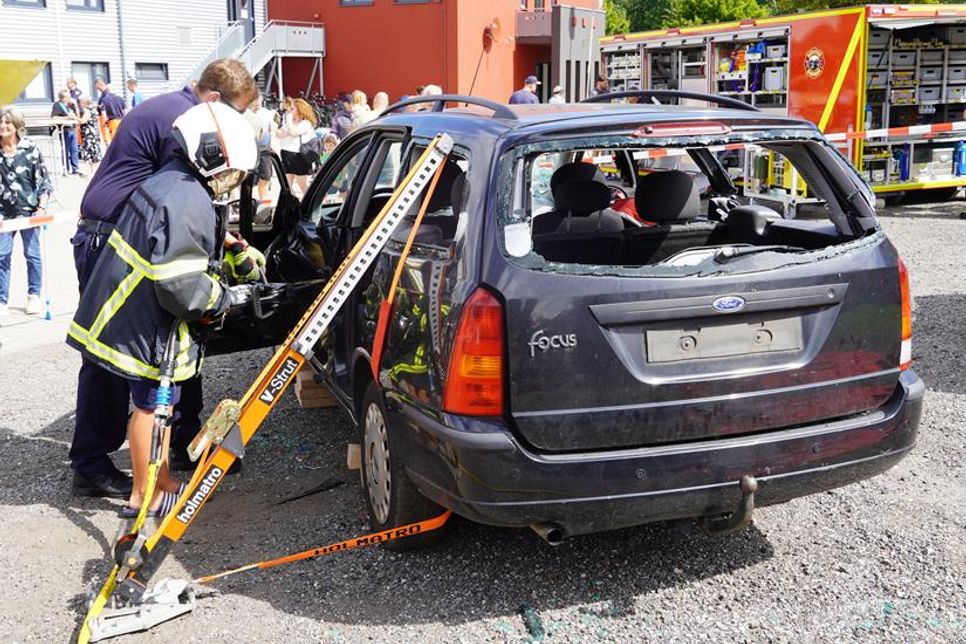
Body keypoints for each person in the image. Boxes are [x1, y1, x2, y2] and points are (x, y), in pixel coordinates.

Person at [69, 58, 258, 499]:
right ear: (213, 102)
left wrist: (221, 241)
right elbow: (182, 215)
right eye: (237, 112)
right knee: (124, 362)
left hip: (130, 237)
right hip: (114, 242)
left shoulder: (172, 112)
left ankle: (176, 445)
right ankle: (96, 465)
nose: (239, 122)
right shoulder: (183, 122)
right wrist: (214, 290)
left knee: (162, 363)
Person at [0, 107, 52, 317]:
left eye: (7, 124)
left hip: (29, 212)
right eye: (1, 123)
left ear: (17, 127)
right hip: (4, 215)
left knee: (32, 255)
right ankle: (1, 300)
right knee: (2, 256)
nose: (3, 127)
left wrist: (41, 208)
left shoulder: (30, 149)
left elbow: (44, 182)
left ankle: (34, 295)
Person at [277, 97, 317, 196]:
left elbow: (294, 132)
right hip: (286, 154)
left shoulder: (306, 123)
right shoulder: (290, 122)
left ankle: (309, 203)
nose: (290, 111)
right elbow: (278, 134)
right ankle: (294, 205)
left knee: (302, 184)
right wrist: (289, 129)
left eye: (293, 109)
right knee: (287, 185)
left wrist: (289, 126)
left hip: (299, 156)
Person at [248, 95, 276, 203]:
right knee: (249, 179)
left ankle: (264, 202)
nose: (258, 102)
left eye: (259, 99)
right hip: (251, 150)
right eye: (255, 99)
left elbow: (271, 130)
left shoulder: (266, 113)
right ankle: (246, 204)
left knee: (265, 177)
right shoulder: (246, 113)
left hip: (265, 149)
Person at [51, 89, 83, 175]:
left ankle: (75, 168)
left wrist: (76, 105)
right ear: (64, 97)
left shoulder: (70, 105)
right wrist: (66, 118)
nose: (70, 98)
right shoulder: (57, 105)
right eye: (68, 96)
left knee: (74, 149)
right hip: (65, 129)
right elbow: (54, 117)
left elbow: (77, 116)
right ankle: (66, 168)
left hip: (73, 128)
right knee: (66, 149)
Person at [77, 98, 103, 172]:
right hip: (93, 133)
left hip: (89, 134)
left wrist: (73, 117)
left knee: (90, 151)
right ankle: (93, 171)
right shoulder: (92, 109)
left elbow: (83, 121)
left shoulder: (88, 111)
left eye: (81, 102)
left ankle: (93, 171)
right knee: (93, 151)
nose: (80, 104)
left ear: (85, 103)